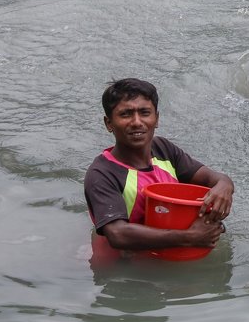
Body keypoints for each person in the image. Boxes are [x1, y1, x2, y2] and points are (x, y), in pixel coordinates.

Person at [84, 78, 234, 258]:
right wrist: (189, 237)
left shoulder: (163, 149)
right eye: (126, 114)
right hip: (124, 265)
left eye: (145, 113)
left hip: (175, 254)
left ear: (156, 119)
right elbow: (118, 234)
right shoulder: (102, 173)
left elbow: (214, 179)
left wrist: (224, 186)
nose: (137, 122)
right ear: (109, 123)